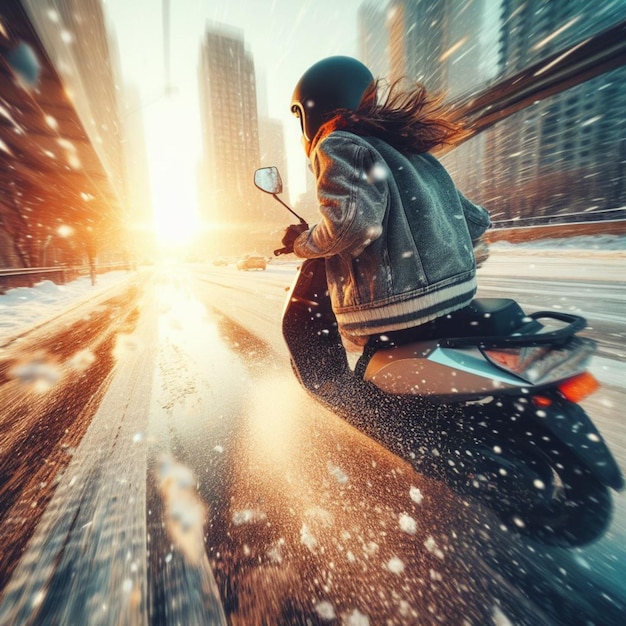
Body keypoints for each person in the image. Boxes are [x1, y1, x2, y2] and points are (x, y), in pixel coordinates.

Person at [281, 55, 491, 387]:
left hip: (401, 307)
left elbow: (350, 226)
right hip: (458, 298)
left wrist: (302, 243)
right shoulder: (409, 148)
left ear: (309, 114)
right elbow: (474, 219)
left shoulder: (336, 143)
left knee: (370, 386)